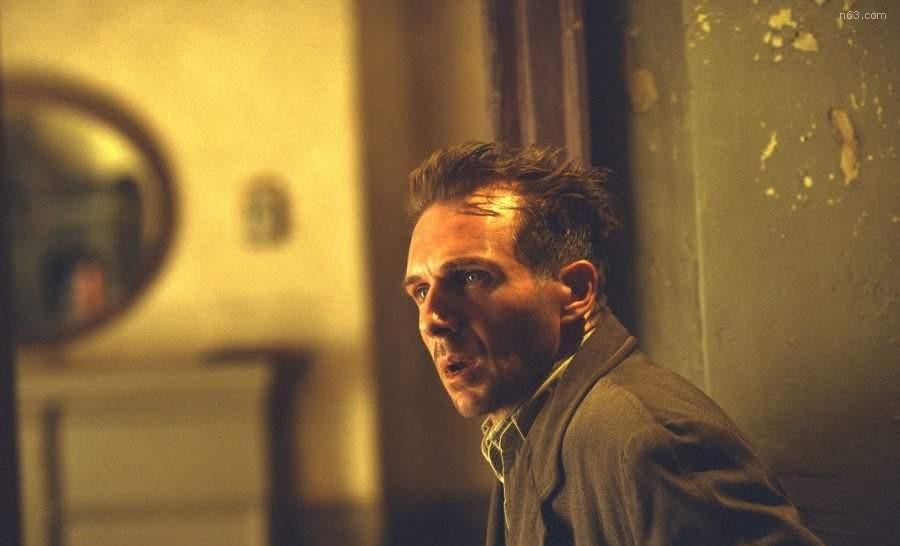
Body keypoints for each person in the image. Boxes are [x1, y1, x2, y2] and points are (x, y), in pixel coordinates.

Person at [402, 142, 825, 546]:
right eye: (421, 291)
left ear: (576, 290)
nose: (432, 319)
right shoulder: (525, 432)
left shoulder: (644, 440)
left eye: (470, 278)